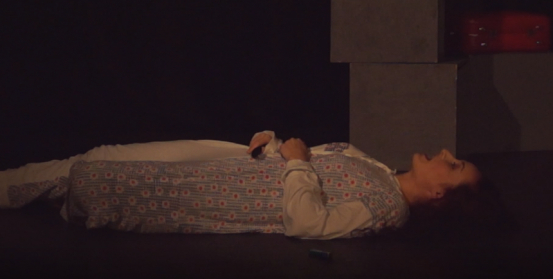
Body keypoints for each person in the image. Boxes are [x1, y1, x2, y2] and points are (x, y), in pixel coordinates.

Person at [0, 131, 483, 240]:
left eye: (454, 165)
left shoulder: (386, 208)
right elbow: (301, 163)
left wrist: (297, 163)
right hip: (231, 163)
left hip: (212, 188)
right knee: (99, 158)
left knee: (91, 173)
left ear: (440, 194)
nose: (445, 153)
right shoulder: (379, 170)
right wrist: (274, 146)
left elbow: (307, 222)